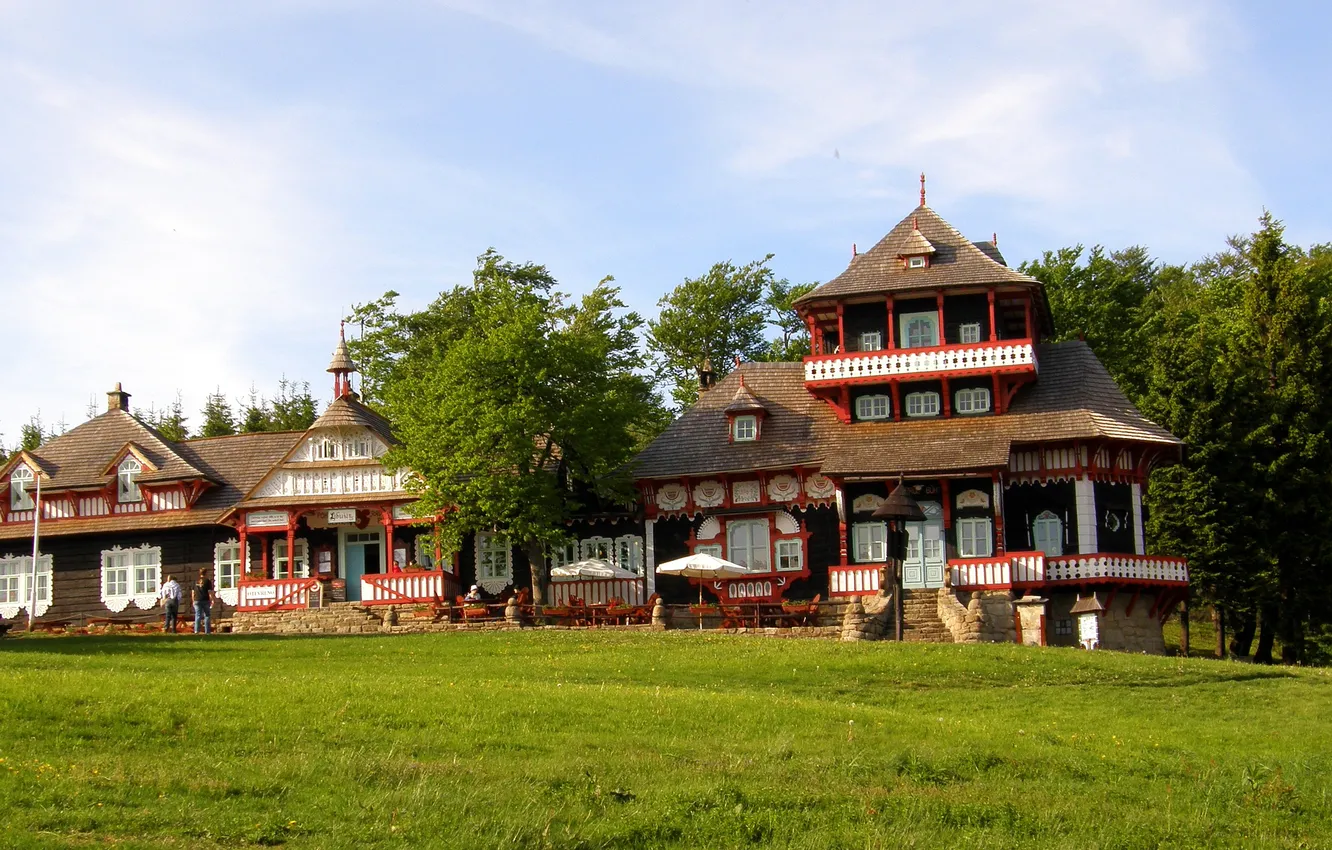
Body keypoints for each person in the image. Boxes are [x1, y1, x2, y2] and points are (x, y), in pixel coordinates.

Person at [193, 569, 214, 634]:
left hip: (197, 600)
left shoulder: (196, 581)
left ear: (199, 573)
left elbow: (193, 592)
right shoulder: (207, 581)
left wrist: (193, 600)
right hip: (205, 600)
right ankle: (207, 631)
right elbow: (209, 592)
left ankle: (196, 630)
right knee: (207, 615)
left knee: (198, 615)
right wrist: (212, 600)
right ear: (206, 573)